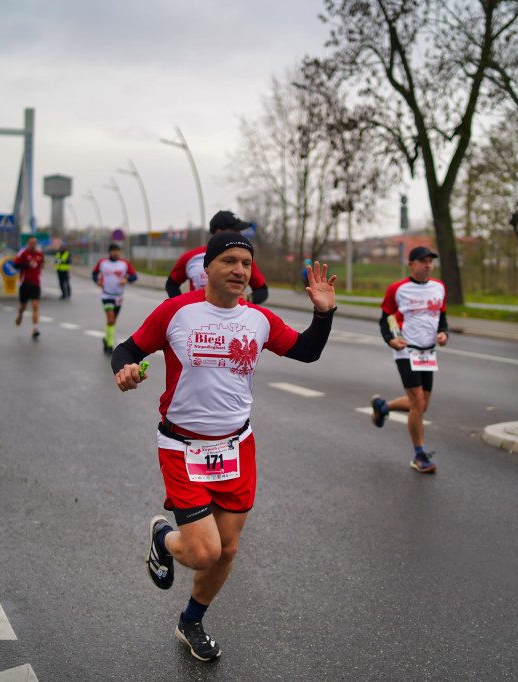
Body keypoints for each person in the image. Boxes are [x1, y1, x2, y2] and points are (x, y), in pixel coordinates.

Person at [112, 231, 337, 662]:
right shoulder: (177, 312)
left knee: (228, 550)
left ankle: (191, 621)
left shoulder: (258, 320)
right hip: (182, 447)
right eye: (229, 261)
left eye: (246, 264)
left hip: (236, 447)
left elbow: (307, 352)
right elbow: (127, 349)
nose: (239, 271)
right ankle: (164, 536)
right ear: (207, 268)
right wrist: (124, 369)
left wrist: (323, 314)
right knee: (203, 553)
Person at [369, 246, 448, 474]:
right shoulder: (398, 289)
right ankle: (419, 455)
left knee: (422, 405)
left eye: (430, 261)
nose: (428, 265)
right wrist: (391, 340)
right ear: (411, 264)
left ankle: (383, 407)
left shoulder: (439, 288)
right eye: (423, 261)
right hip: (406, 350)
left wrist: (444, 333)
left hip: (428, 353)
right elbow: (387, 318)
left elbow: (441, 317)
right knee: (417, 403)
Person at [165, 210, 269, 305]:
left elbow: (262, 290)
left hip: (231, 320)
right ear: (219, 232)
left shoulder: (241, 261)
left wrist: (248, 299)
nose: (240, 234)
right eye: (236, 231)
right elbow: (171, 284)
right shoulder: (191, 257)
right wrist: (182, 306)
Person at [92, 243, 137, 352]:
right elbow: (94, 273)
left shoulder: (124, 263)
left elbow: (134, 276)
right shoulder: (102, 262)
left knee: (113, 321)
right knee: (110, 319)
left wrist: (126, 280)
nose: (115, 252)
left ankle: (106, 338)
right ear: (109, 252)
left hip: (118, 297)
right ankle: (110, 344)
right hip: (107, 294)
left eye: (117, 250)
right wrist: (97, 281)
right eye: (113, 250)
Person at [13, 236, 45, 339]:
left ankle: (35, 328)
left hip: (36, 283)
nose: (33, 245)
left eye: (34, 243)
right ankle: (20, 314)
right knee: (23, 306)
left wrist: (42, 266)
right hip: (25, 283)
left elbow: (42, 263)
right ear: (27, 243)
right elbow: (15, 264)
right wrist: (27, 265)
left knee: (35, 305)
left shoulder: (40, 254)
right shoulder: (23, 253)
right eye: (31, 243)